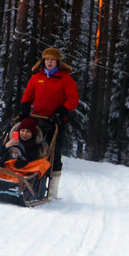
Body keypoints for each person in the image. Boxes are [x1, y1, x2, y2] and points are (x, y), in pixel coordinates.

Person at [17, 47, 79, 198]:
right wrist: (24, 106)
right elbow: (28, 94)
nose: (49, 62)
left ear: (57, 62)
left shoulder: (65, 78)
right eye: (47, 59)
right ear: (43, 61)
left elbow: (73, 99)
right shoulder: (37, 77)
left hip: (55, 121)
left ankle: (52, 190)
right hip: (37, 119)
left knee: (54, 154)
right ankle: (28, 181)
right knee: (30, 148)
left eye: (52, 60)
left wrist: (62, 111)